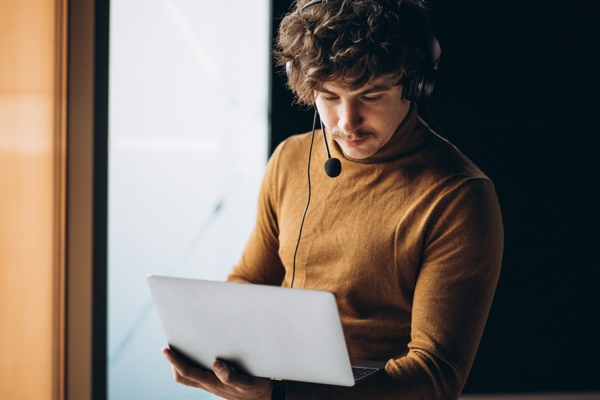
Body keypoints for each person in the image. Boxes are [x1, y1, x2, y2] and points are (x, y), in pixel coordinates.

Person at [162, 0, 504, 399]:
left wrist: (283, 396)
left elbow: (434, 378)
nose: (347, 122)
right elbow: (249, 285)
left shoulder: (459, 196)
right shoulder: (290, 159)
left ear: (414, 84)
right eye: (329, 97)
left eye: (371, 96)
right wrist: (215, 355)